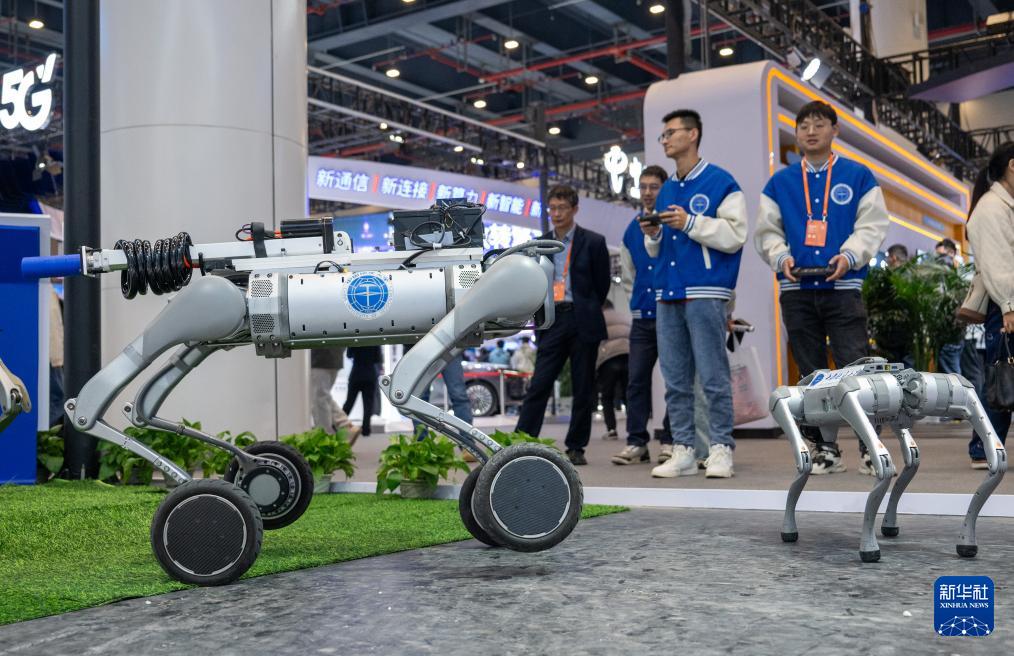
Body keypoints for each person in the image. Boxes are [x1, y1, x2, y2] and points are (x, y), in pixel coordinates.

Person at [754, 100, 889, 475]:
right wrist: (780, 257)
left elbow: (873, 224)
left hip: (843, 286)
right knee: (810, 373)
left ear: (834, 130)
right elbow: (767, 230)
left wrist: (850, 254)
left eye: (819, 124)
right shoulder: (780, 182)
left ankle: (870, 445)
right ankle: (825, 448)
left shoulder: (857, 175)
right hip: (796, 290)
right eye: (803, 126)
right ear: (796, 133)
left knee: (855, 367)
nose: (810, 132)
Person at [640, 109, 748, 479]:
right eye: (663, 135)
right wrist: (654, 235)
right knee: (675, 379)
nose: (665, 140)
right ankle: (683, 448)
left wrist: (690, 222)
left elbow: (735, 235)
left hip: (706, 291)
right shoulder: (667, 189)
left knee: (713, 375)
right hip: (668, 292)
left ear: (693, 134)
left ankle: (720, 447)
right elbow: (659, 249)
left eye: (671, 133)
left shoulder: (722, 182)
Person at [515, 184, 611, 465]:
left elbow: (602, 284)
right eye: (552, 208)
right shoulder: (539, 244)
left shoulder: (593, 241)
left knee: (583, 387)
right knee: (540, 383)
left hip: (583, 319)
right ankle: (521, 441)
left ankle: (576, 447)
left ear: (574, 209)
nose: (556, 214)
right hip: (552, 320)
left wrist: (586, 306)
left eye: (562, 208)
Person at [613, 164, 675, 465]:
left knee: (674, 380)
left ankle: (671, 440)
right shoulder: (631, 229)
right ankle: (636, 441)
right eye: (644, 187)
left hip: (671, 313)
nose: (648, 192)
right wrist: (634, 303)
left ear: (664, 189)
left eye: (654, 187)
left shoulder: (673, 223)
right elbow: (628, 275)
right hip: (642, 317)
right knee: (636, 380)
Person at [965, 141, 1014, 468]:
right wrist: (1009, 305)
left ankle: (984, 447)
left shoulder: (1003, 205)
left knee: (1003, 373)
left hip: (1006, 301)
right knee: (1001, 375)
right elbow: (998, 264)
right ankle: (982, 448)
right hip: (1004, 303)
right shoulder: (992, 208)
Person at [311, 347, 361, 444]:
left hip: (320, 358)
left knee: (319, 398)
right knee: (322, 397)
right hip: (333, 357)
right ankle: (345, 425)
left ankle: (325, 438)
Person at [596, 300, 630, 440]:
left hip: (608, 359)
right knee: (628, 395)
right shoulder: (623, 316)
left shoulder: (599, 318)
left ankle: (611, 430)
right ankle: (633, 429)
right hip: (627, 356)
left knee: (607, 396)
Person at [934, 238, 964, 377]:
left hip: (950, 332)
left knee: (952, 377)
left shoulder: (954, 274)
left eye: (941, 256)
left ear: (951, 253)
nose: (938, 260)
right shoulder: (957, 273)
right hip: (952, 332)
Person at [343, 346, 382, 437]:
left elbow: (349, 355)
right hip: (370, 374)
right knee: (368, 405)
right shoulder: (375, 342)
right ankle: (366, 429)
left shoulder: (354, 341)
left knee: (349, 403)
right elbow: (378, 358)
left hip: (356, 373)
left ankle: (339, 424)